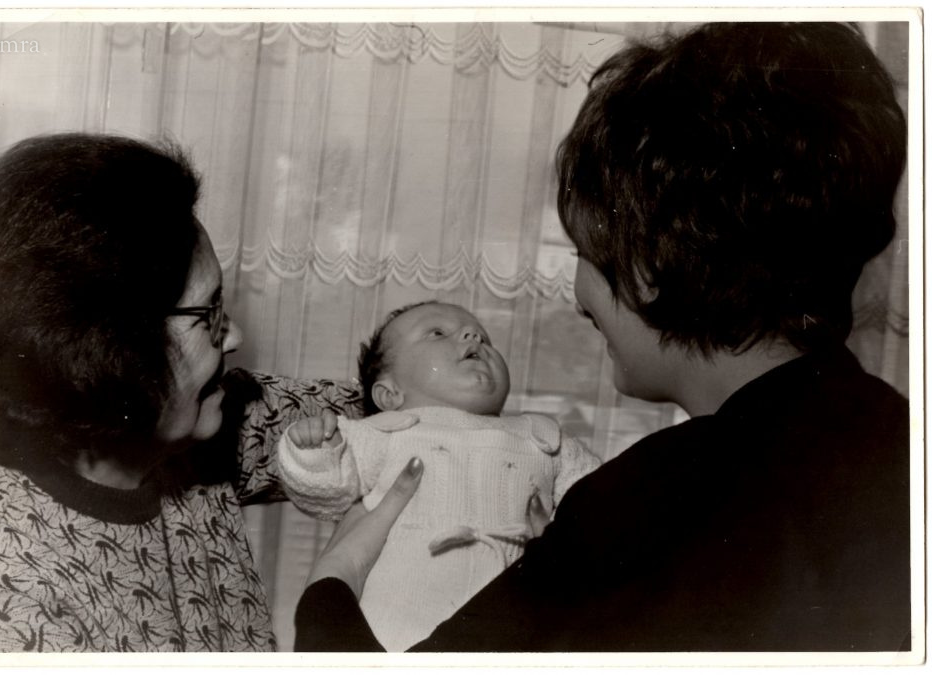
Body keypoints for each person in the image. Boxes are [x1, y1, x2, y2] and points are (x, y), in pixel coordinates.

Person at [292, 22, 912, 651]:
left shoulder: (642, 503)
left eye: (585, 253)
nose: (577, 293)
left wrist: (332, 582)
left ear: (647, 270)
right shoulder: (901, 446)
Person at [0, 133, 364, 652]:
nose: (234, 337)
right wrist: (335, 588)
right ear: (105, 349)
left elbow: (384, 407)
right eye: (209, 314)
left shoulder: (200, 432)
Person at [277, 301, 601, 650]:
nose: (473, 335)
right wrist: (315, 447)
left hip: (512, 630)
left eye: (484, 338)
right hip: (394, 631)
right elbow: (325, 487)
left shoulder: (540, 438)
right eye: (437, 333)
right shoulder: (387, 432)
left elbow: (603, 497)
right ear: (390, 394)